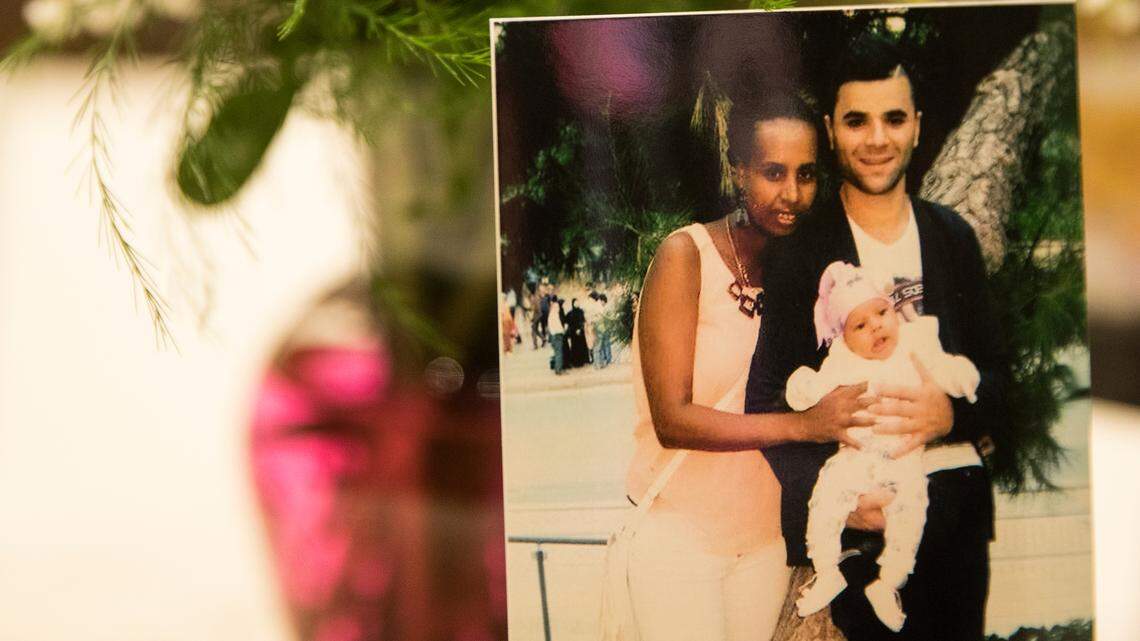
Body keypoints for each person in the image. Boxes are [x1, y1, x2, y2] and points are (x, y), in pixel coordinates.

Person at [744, 38, 1009, 641]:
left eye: (893, 118)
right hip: (863, 526)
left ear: (917, 127)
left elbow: (999, 377)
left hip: (957, 516)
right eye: (856, 121)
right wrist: (833, 497)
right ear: (832, 132)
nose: (876, 138)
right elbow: (765, 401)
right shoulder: (801, 254)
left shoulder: (952, 238)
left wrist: (952, 413)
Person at [622, 93, 874, 641]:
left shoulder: (818, 274)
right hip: (678, 538)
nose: (792, 194)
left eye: (807, 175)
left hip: (765, 546)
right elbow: (673, 419)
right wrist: (805, 425)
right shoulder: (684, 256)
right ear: (738, 171)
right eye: (773, 173)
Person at [788, 261, 980, 632]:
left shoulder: (914, 348)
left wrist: (964, 380)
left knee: (911, 509)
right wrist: (803, 386)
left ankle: (889, 582)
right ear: (845, 337)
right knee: (826, 499)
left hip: (902, 458)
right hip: (855, 457)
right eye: (860, 325)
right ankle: (827, 569)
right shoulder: (843, 362)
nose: (876, 325)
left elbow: (947, 369)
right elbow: (812, 389)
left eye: (882, 312)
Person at [565, 298, 591, 368]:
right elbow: (568, 323)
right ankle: (576, 362)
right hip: (574, 333)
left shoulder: (581, 311)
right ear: (573, 304)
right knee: (575, 347)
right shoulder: (570, 313)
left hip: (581, 332)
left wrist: (580, 328)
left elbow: (583, 321)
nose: (577, 304)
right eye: (575, 303)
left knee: (582, 346)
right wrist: (574, 330)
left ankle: (583, 361)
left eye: (578, 302)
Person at [547, 296, 566, 375]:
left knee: (556, 353)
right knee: (559, 353)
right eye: (557, 307)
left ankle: (557, 368)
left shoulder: (552, 315)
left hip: (554, 335)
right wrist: (563, 331)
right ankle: (558, 370)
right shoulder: (554, 315)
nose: (558, 308)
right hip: (557, 335)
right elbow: (558, 327)